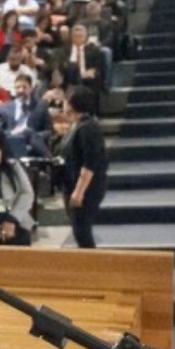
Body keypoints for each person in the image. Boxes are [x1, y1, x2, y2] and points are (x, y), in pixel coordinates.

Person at [59, 86, 108, 248]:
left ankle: (92, 267)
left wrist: (79, 192)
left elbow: (90, 162)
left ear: (73, 103)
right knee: (79, 231)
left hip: (85, 189)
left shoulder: (88, 127)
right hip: (71, 184)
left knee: (82, 232)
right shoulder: (76, 125)